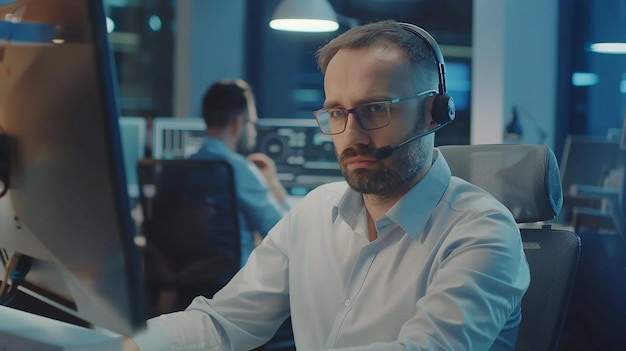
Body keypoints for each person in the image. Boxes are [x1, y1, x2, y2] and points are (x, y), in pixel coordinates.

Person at [124, 20, 530, 350]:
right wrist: (133, 345)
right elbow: (221, 323)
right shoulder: (314, 213)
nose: (351, 135)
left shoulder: (482, 231)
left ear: (432, 113)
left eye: (375, 109)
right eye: (337, 112)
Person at [191, 79, 291, 267]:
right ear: (237, 123)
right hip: (233, 288)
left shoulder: (174, 169)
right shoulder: (239, 170)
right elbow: (286, 236)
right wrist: (273, 184)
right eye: (251, 122)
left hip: (187, 285)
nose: (253, 130)